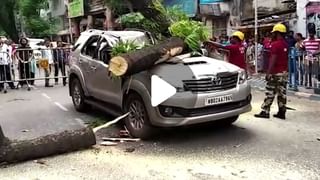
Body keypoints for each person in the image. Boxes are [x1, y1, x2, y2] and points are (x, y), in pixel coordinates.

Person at [255, 23, 289, 120]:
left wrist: (268, 73)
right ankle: (282, 112)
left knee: (270, 92)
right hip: (284, 72)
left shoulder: (275, 44)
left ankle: (265, 111)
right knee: (282, 93)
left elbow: (273, 59)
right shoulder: (285, 44)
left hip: (275, 73)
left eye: (274, 33)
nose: (272, 34)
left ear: (277, 33)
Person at [302, 23, 320, 88]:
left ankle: (316, 85)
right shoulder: (305, 41)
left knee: (315, 72)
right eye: (310, 33)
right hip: (307, 58)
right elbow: (302, 48)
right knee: (307, 72)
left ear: (314, 33)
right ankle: (308, 84)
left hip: (315, 58)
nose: (311, 34)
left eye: (312, 33)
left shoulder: (318, 40)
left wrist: (316, 52)